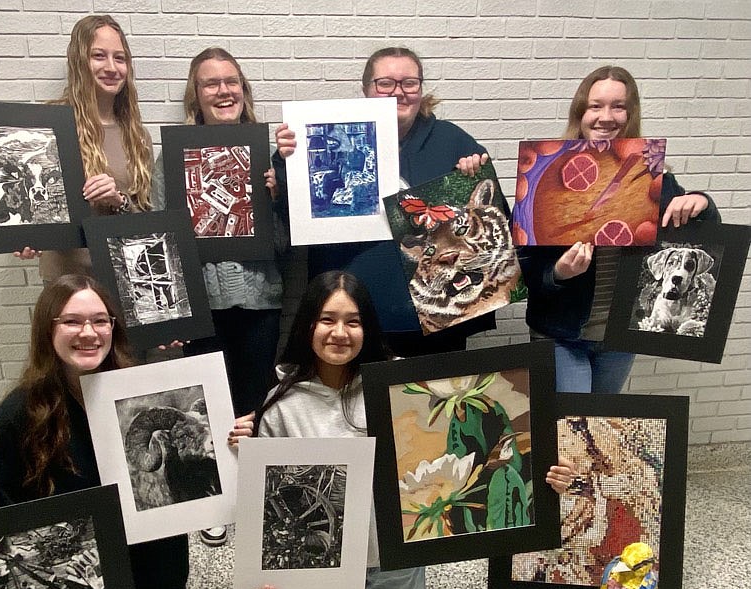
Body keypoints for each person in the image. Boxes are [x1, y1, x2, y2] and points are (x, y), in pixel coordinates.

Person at [238, 271, 577, 589]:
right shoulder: (281, 406)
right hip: (329, 558)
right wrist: (272, 575)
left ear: (368, 327)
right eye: (327, 320)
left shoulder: (402, 384)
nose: (339, 333)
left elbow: (482, 437)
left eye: (353, 321)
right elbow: (265, 502)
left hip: (394, 552)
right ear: (308, 325)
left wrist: (547, 465)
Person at [0, 275, 188, 589]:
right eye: (72, 322)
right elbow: (5, 515)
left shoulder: (144, 390)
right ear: (48, 330)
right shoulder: (17, 416)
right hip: (72, 567)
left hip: (149, 559)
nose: (88, 333)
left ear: (114, 327)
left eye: (101, 320)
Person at [274, 46, 510, 358]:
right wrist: (285, 161)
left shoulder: (452, 141)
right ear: (366, 89)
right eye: (385, 83)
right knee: (358, 406)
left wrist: (475, 178)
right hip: (352, 316)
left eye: (409, 83)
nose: (398, 92)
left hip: (435, 315)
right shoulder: (328, 138)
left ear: (421, 88)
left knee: (429, 404)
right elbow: (288, 222)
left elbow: (499, 224)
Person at [151, 48, 290, 546]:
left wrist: (276, 199)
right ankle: (215, 495)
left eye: (232, 81)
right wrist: (171, 314)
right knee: (203, 403)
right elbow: (163, 240)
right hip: (199, 302)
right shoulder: (170, 158)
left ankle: (253, 493)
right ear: (196, 94)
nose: (223, 91)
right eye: (211, 83)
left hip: (259, 299)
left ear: (244, 90)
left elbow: (285, 245)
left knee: (255, 397)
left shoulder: (270, 155)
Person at [518, 65, 721, 393]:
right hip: (560, 334)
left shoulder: (653, 179)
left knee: (597, 429)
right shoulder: (547, 177)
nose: (606, 116)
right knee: (566, 430)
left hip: (620, 336)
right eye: (596, 106)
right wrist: (558, 272)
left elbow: (707, 243)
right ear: (581, 112)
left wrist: (703, 202)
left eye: (618, 106)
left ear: (631, 113)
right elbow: (524, 266)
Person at [17, 14, 152, 281]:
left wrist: (119, 201)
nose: (112, 67)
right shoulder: (49, 125)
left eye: (120, 58)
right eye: (99, 56)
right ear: (80, 61)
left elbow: (147, 219)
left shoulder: (137, 135)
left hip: (123, 278)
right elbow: (29, 202)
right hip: (66, 281)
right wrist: (24, 235)